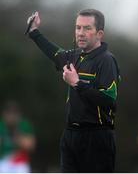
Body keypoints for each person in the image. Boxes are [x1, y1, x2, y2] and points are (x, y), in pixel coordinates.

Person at [27, 9, 120, 172]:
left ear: (99, 34)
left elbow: (108, 101)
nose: (81, 33)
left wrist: (77, 83)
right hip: (70, 135)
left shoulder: (106, 60)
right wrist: (34, 31)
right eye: (78, 28)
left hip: (97, 137)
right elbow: (54, 53)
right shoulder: (75, 56)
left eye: (87, 28)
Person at [0, 100, 35, 173]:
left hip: (20, 162)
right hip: (3, 161)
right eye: (9, 113)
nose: (11, 116)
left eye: (14, 113)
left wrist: (17, 137)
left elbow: (31, 145)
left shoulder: (24, 125)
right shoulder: (1, 125)